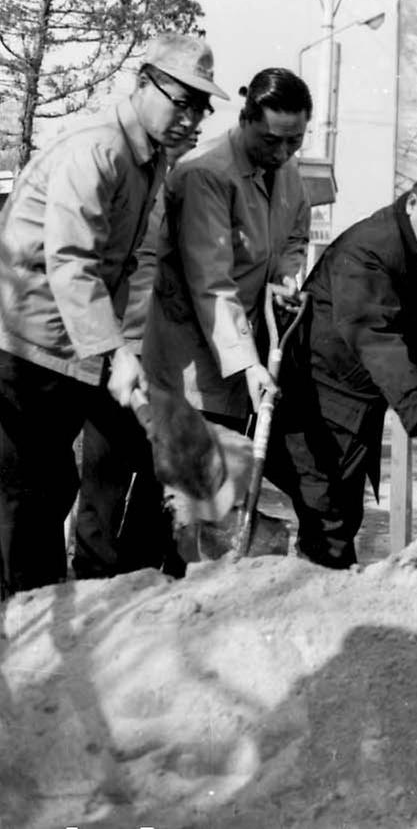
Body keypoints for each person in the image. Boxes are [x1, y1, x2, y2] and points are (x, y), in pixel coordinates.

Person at [0, 33, 226, 595]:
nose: (190, 118)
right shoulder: (98, 150)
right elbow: (72, 262)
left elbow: (120, 267)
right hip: (23, 345)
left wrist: (114, 354)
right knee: (25, 492)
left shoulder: (148, 161)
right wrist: (113, 352)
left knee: (52, 485)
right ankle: (26, 624)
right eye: (181, 100)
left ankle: (39, 607)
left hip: (67, 350)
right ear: (143, 83)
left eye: (201, 107)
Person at [264, 151, 417, 568]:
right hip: (317, 395)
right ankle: (312, 600)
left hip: (361, 397)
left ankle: (321, 592)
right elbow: (374, 338)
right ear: (414, 203)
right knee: (327, 511)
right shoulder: (369, 248)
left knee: (343, 511)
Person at [142, 67, 313, 428]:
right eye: (270, 141)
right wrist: (249, 363)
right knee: (187, 481)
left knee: (229, 479)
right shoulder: (206, 174)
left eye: (294, 141)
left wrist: (286, 276)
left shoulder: (288, 170)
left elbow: (297, 235)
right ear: (244, 119)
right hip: (191, 375)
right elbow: (211, 284)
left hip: (246, 368)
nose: (283, 153)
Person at [70, 126, 203, 580]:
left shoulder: (181, 186)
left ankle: (145, 579)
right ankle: (93, 576)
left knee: (153, 476)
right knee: (106, 476)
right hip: (117, 348)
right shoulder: (123, 184)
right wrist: (115, 345)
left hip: (163, 354)